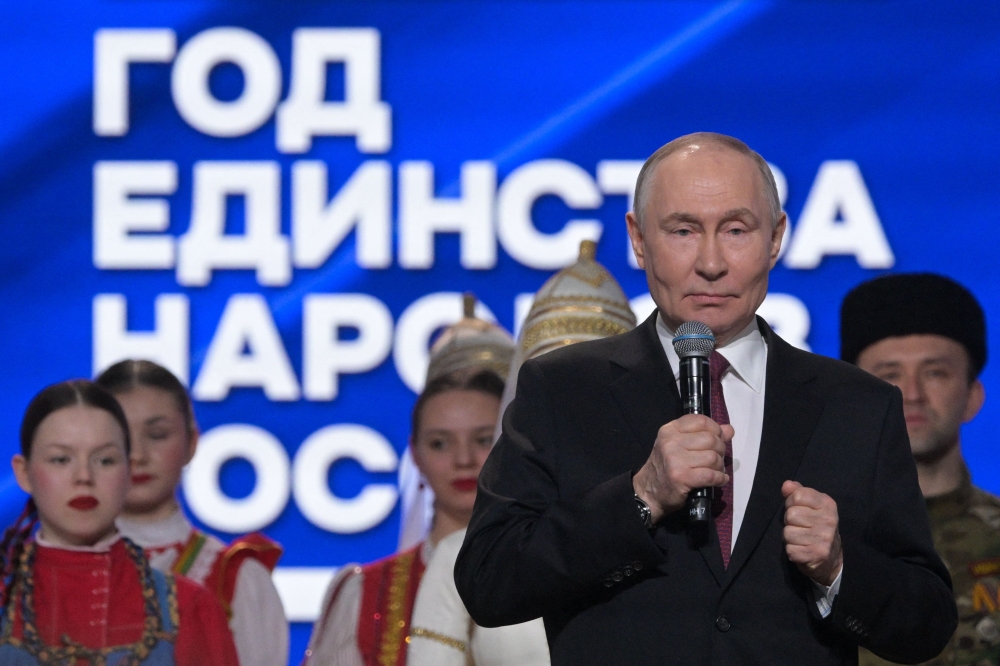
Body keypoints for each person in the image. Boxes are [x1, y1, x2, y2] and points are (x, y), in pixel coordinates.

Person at [455, 132, 957, 665]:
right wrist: (639, 498)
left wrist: (837, 568)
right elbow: (489, 582)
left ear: (776, 237)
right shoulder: (561, 390)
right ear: (639, 238)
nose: (711, 262)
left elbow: (926, 624)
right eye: (683, 230)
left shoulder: (857, 405)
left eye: (736, 230)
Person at [407, 240, 635, 666]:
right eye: (557, 392)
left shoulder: (672, 540)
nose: (575, 414)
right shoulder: (466, 556)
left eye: (596, 393)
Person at [303, 305, 515, 666]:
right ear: (414, 455)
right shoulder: (364, 593)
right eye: (439, 443)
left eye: (482, 439)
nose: (463, 460)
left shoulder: (548, 572)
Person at [0, 379, 239, 665]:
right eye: (61, 459)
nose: (84, 476)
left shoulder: (191, 609)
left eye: (105, 460)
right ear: (24, 473)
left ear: (128, 471)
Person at [841, 273, 1000, 666]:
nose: (910, 394)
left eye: (935, 372)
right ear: (851, 398)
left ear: (972, 397)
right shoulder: (812, 541)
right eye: (889, 375)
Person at [95, 359, 287, 666]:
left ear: (192, 442)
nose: (138, 455)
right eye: (120, 437)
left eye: (157, 435)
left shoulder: (237, 581)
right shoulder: (42, 573)